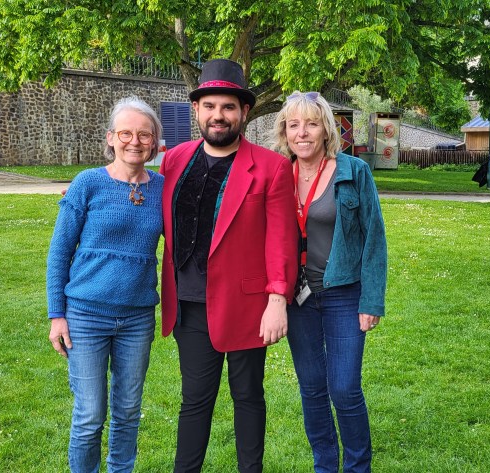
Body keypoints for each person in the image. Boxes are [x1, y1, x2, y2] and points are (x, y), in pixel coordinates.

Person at [158, 58, 299, 473]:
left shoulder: (271, 167)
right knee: (194, 401)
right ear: (196, 110)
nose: (218, 115)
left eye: (228, 107)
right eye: (209, 106)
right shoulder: (174, 160)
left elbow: (282, 240)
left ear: (244, 112)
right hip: (189, 304)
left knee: (248, 397)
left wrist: (277, 300)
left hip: (247, 305)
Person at [46, 96, 165, 473]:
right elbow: (59, 252)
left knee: (128, 412)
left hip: (137, 319)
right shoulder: (88, 183)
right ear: (111, 138)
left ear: (155, 142)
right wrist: (57, 315)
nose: (135, 142)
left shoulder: (163, 189)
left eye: (144, 134)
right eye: (126, 133)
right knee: (90, 415)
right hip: (85, 316)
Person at [272, 91, 388, 473]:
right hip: (298, 299)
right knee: (311, 387)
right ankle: (325, 465)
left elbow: (374, 238)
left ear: (326, 129)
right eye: (294, 125)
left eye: (311, 124)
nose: (302, 133)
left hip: (343, 294)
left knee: (344, 387)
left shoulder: (353, 172)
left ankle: (357, 467)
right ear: (285, 132)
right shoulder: (277, 175)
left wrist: (371, 300)